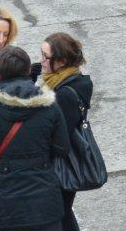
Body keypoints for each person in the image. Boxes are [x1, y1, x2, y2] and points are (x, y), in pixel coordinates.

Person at [0, 46, 70, 231]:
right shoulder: (49, 104)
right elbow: (62, 148)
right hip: (44, 203)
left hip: (4, 205)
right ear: (27, 71)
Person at [37, 33, 93, 231]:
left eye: (45, 56)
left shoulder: (64, 94)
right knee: (62, 215)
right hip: (59, 166)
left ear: (61, 61)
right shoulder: (65, 80)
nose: (41, 60)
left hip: (61, 168)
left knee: (58, 216)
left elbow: (57, 135)